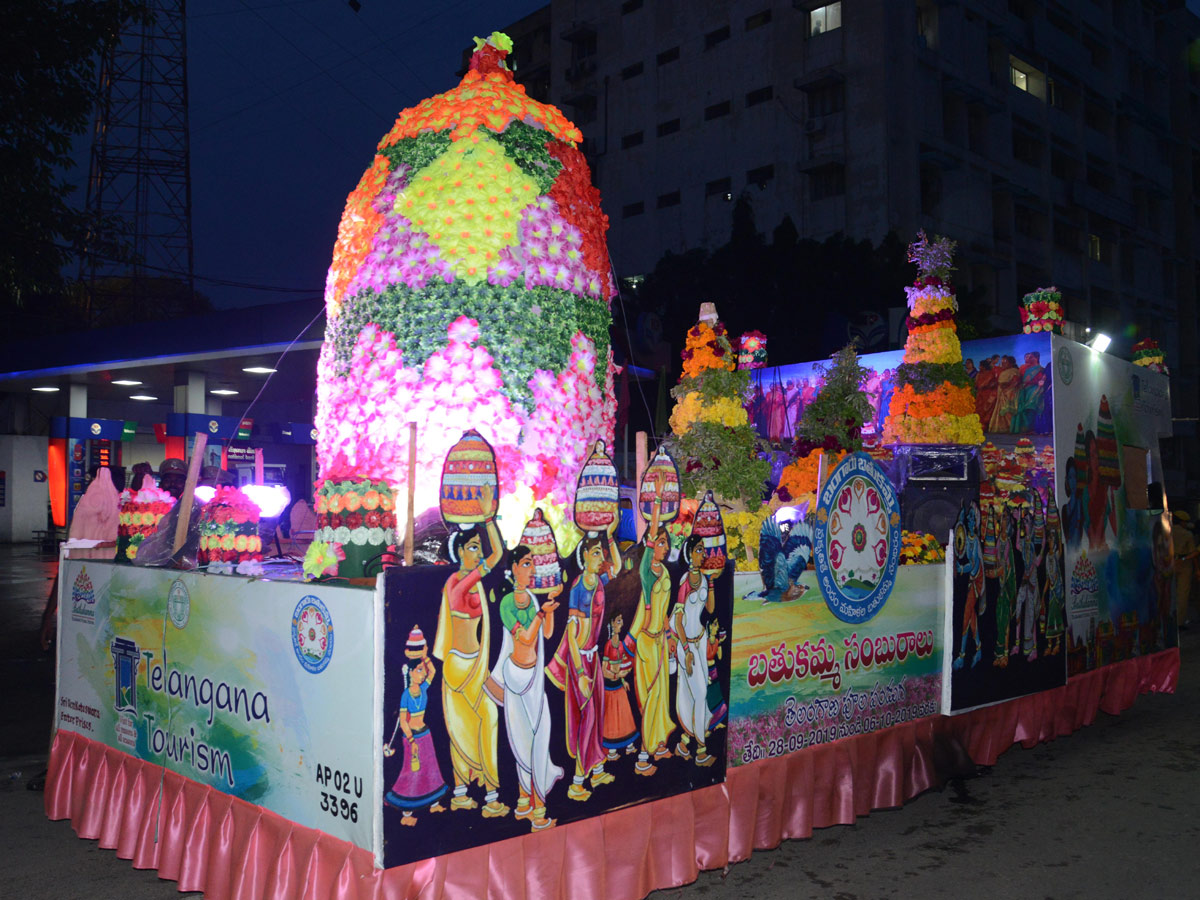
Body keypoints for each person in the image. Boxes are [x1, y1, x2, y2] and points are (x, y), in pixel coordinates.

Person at [431, 485, 509, 818]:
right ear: (460, 550)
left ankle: (471, 792)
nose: (478, 553)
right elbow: (497, 556)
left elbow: (495, 556)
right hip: (459, 667)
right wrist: (488, 518)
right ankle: (487, 795)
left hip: (473, 665)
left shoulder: (472, 583)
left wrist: (488, 519)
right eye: (473, 547)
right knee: (477, 722)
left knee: (470, 724)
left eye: (478, 548)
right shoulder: (457, 584)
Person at [547, 527, 621, 800]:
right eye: (597, 552)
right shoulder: (579, 587)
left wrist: (610, 534)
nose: (602, 556)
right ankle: (577, 781)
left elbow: (620, 564)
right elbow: (572, 635)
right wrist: (579, 673)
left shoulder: (598, 580)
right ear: (585, 556)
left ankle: (597, 769)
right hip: (581, 662)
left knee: (598, 715)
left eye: (602, 551)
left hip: (594, 658)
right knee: (586, 718)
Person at [493, 544, 563, 830]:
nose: (532, 569)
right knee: (524, 739)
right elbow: (523, 639)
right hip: (516, 676)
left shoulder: (534, 599)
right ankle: (537, 810)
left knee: (538, 736)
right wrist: (539, 614)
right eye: (526, 563)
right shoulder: (507, 603)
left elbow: (545, 634)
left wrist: (550, 608)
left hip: (534, 678)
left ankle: (525, 800)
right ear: (512, 570)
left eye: (532, 563)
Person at [628, 471, 676, 775]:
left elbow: (667, 608)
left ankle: (657, 746)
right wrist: (657, 499)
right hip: (645, 641)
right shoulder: (647, 568)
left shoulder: (667, 572)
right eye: (660, 542)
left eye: (666, 544)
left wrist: (669, 633)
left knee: (661, 695)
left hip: (661, 640)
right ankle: (644, 756)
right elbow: (652, 528)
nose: (664, 546)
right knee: (648, 698)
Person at [383, 626, 448, 826]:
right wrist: (411, 739)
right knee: (411, 772)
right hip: (412, 737)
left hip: (425, 734)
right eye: (419, 670)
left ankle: (434, 802)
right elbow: (403, 721)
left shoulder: (424, 688)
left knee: (431, 770)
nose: (423, 673)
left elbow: (435, 671)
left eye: (422, 670)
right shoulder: (406, 695)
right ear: (411, 672)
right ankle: (407, 813)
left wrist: (426, 656)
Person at [672, 535, 719, 767]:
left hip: (700, 643)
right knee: (699, 694)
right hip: (686, 645)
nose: (704, 554)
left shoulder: (702, 579)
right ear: (690, 553)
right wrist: (686, 651)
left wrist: (710, 584)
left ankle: (683, 743)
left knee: (695, 695)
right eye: (699, 550)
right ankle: (701, 750)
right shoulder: (685, 583)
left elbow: (709, 609)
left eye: (703, 550)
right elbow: (678, 621)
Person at [600, 613, 639, 760]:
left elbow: (622, 665)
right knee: (611, 719)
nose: (621, 624)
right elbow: (604, 670)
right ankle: (611, 751)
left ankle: (628, 745)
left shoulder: (621, 645)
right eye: (618, 621)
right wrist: (618, 676)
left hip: (619, 685)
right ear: (611, 624)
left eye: (621, 621)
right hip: (610, 686)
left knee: (625, 715)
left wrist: (623, 680)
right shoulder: (609, 645)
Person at [1173, 511, 1197, 630]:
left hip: (1168, 563)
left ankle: (1169, 620)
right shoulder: (1187, 535)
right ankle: (1179, 622)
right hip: (1184, 563)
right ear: (1182, 522)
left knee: (1170, 592)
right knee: (1182, 594)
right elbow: (1194, 553)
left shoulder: (1167, 530)